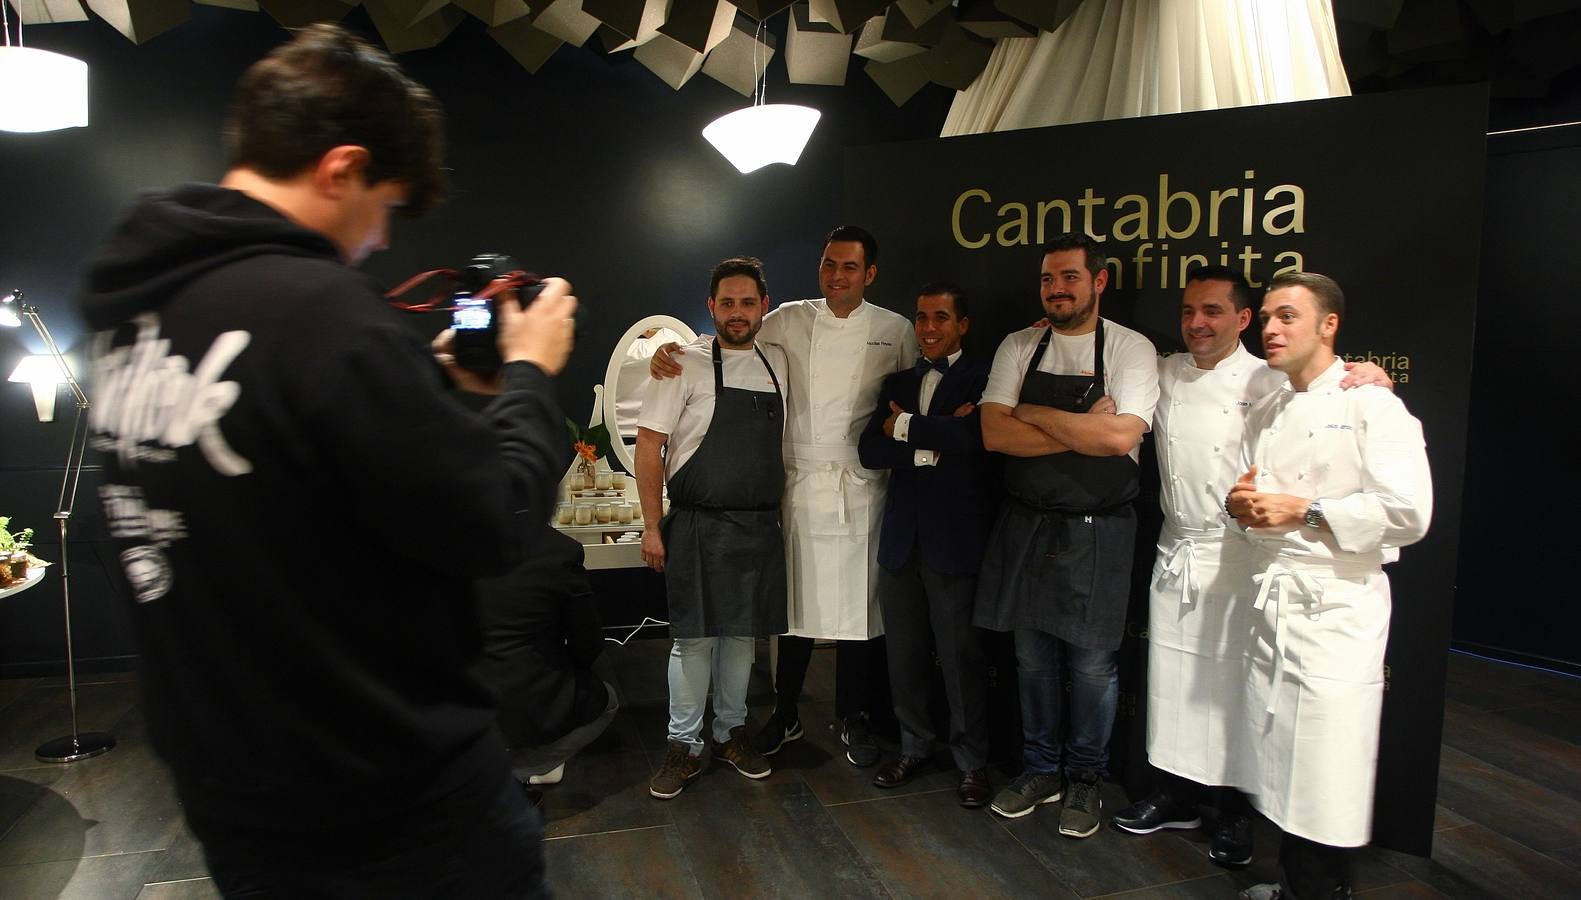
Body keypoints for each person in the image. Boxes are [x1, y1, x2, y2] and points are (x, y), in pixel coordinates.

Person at [75, 24, 575, 897]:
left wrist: (416, 376)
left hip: (237, 799)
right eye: (382, 207)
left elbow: (267, 462)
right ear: (340, 168)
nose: (379, 240)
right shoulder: (322, 315)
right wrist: (531, 371)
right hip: (389, 810)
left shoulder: (138, 315)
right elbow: (495, 519)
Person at [1111, 267, 1394, 864]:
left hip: (1242, 554)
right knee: (1174, 685)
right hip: (1178, 546)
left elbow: (1331, 392)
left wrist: (1367, 374)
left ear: (1242, 319)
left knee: (1236, 691)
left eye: (1212, 311)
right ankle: (1175, 794)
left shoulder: (1272, 376)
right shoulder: (1164, 372)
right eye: (1189, 311)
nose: (1197, 323)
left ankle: (1236, 814)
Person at [652, 227, 917, 768]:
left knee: (850, 617)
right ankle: (770, 717)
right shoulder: (787, 320)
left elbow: (911, 391)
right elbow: (725, 343)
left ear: (869, 274)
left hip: (857, 489)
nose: (835, 275)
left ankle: (844, 718)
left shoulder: (897, 330)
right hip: (788, 493)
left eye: (848, 266)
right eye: (827, 264)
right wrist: (667, 350)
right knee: (780, 616)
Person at [1228, 272, 1432, 900]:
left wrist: (1304, 510)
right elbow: (1268, 502)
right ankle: (1296, 887)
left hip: (1337, 608)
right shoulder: (1278, 405)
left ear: (1329, 325)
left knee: (1325, 770)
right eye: (1266, 317)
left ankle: (1320, 891)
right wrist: (1246, 506)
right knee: (1286, 762)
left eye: (1288, 316)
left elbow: (1410, 513)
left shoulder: (1372, 403)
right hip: (1280, 603)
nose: (1271, 329)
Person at [975, 232, 1160, 837]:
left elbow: (1118, 440)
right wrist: (1080, 424)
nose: (1057, 289)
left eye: (1070, 278)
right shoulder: (1019, 345)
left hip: (1100, 530)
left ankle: (1085, 779)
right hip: (1026, 524)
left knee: (1093, 667)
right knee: (1030, 660)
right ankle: (1039, 770)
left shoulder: (1131, 349)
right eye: (1049, 279)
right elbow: (994, 435)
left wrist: (1029, 414)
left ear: (1099, 282)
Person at [636, 257, 789, 798]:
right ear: (711, 307)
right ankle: (683, 746)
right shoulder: (685, 363)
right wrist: (652, 527)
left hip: (757, 526)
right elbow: (649, 446)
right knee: (693, 641)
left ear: (764, 306)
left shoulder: (779, 364)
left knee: (742, 641)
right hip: (699, 522)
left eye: (748, 302)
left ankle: (730, 733)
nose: (738, 312)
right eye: (727, 302)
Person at [857, 283, 997, 807]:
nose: (929, 328)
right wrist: (928, 445)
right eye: (921, 318)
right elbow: (870, 448)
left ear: (963, 323)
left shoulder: (983, 378)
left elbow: (976, 440)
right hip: (900, 542)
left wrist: (908, 427)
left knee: (961, 658)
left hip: (955, 542)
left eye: (941, 317)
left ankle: (972, 763)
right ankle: (914, 746)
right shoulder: (897, 379)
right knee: (904, 654)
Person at [475, 521, 618, 800]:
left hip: (453, 696)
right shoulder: (559, 551)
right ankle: (523, 767)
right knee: (607, 701)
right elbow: (587, 642)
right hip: (527, 694)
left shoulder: (447, 544)